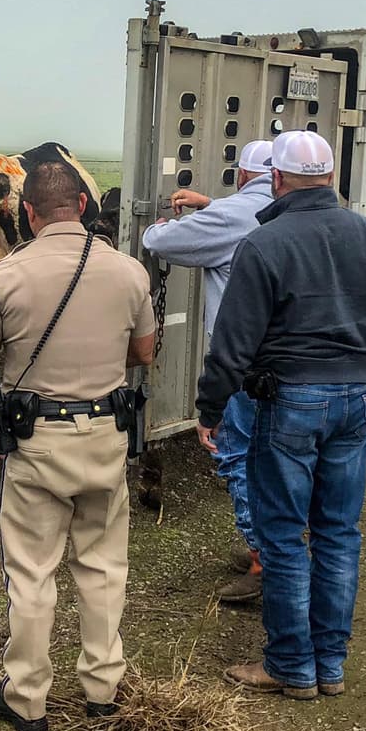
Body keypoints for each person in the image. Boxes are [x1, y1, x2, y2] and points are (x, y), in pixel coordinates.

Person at [195, 130, 366, 700]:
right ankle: (330, 667)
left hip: (290, 399)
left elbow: (233, 341)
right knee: (339, 533)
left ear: (279, 179)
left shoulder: (266, 243)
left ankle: (292, 666)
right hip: (357, 399)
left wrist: (211, 408)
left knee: (285, 535)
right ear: (332, 176)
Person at [0, 159, 156, 731]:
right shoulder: (128, 272)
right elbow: (144, 353)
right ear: (84, 207)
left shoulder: (6, 277)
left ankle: (27, 699)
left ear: (28, 212)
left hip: (35, 441)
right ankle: (103, 689)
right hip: (107, 436)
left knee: (31, 572)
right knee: (102, 567)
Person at [143, 140, 273, 603]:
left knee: (238, 455)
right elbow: (247, 215)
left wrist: (158, 223)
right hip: (292, 367)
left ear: (242, 175)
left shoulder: (234, 215)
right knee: (279, 460)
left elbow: (160, 241)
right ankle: (280, 548)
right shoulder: (294, 211)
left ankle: (263, 563)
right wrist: (213, 206)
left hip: (244, 366)